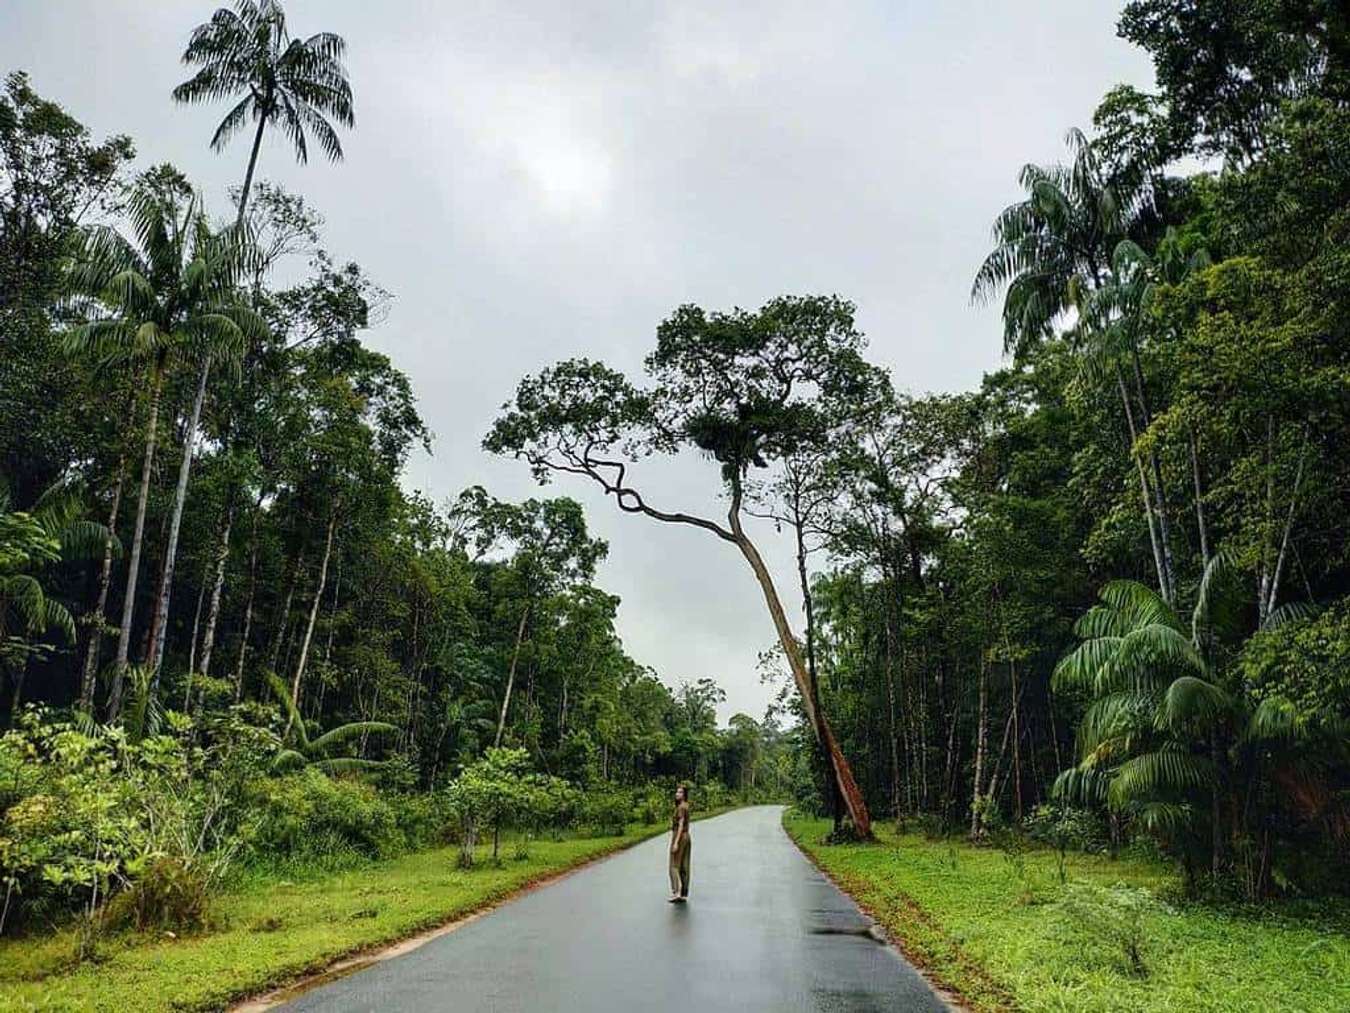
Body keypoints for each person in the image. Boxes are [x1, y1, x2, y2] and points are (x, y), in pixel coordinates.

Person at [668, 784, 691, 902]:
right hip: (687, 837)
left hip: (680, 835)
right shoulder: (686, 806)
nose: (677, 794)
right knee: (684, 865)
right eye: (677, 792)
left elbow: (681, 825)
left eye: (681, 792)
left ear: (684, 795)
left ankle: (676, 891)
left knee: (674, 865)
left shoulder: (681, 808)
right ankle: (683, 892)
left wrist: (676, 842)